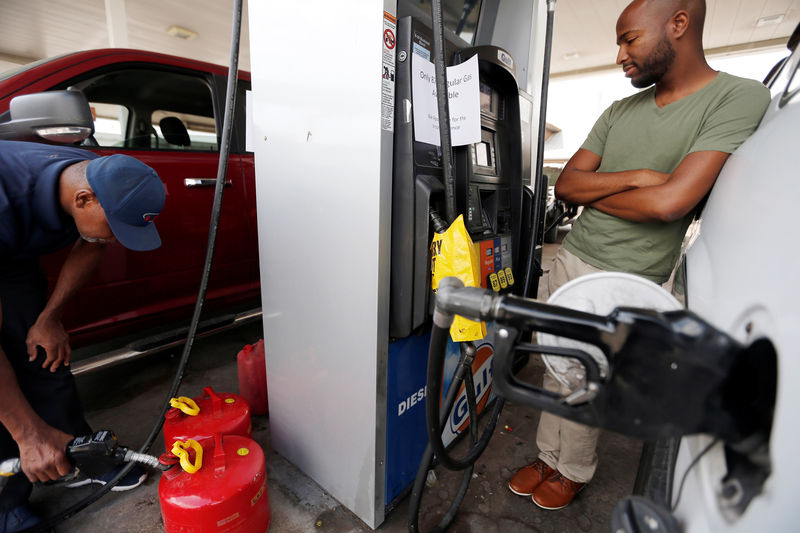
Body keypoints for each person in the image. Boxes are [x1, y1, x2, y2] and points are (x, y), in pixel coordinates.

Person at [508, 0, 771, 511]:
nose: (621, 54)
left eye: (629, 39)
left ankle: (572, 468)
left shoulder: (736, 96)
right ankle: (546, 454)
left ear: (679, 24)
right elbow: (567, 185)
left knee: (591, 375)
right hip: (572, 258)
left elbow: (671, 204)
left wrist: (606, 191)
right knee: (557, 365)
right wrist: (637, 178)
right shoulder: (619, 110)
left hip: (630, 276)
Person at [0, 140, 166, 532]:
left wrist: (49, 318)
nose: (119, 238)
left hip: (12, 255)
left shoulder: (98, 174)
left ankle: (75, 454)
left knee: (42, 347)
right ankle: (7, 502)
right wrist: (29, 436)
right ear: (84, 199)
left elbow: (93, 241)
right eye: (117, 226)